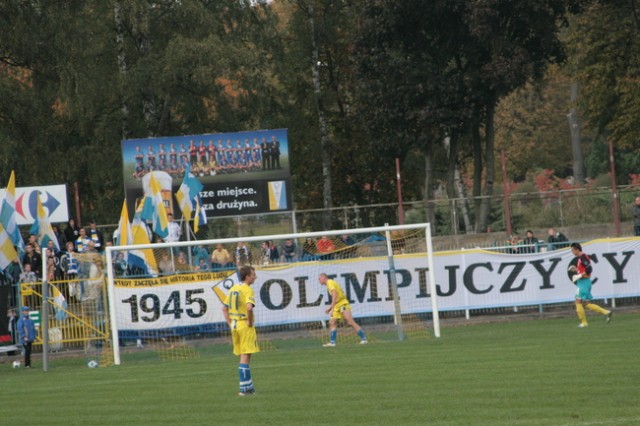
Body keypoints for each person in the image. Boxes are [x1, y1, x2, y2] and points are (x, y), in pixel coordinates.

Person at [222, 265, 260, 396]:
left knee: (242, 356)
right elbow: (249, 308)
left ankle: (248, 386)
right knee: (245, 356)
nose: (255, 277)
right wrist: (249, 321)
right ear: (247, 276)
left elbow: (224, 308)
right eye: (253, 274)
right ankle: (244, 389)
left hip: (235, 325)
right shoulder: (247, 289)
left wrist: (230, 323)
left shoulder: (233, 288)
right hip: (244, 325)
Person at [568, 242, 612, 328]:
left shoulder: (583, 257)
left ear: (577, 249)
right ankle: (606, 312)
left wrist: (579, 275)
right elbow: (585, 269)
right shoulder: (581, 258)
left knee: (578, 302)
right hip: (584, 282)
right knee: (585, 303)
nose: (572, 252)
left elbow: (589, 269)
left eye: (572, 250)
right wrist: (576, 270)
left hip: (584, 282)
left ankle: (584, 323)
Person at [318, 273, 367, 346]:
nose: (319, 281)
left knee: (350, 321)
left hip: (342, 303)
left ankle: (364, 339)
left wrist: (331, 307)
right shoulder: (329, 283)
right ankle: (332, 342)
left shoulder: (330, 283)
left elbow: (335, 294)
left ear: (323, 278)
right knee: (332, 322)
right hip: (337, 305)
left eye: (319, 279)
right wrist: (332, 307)